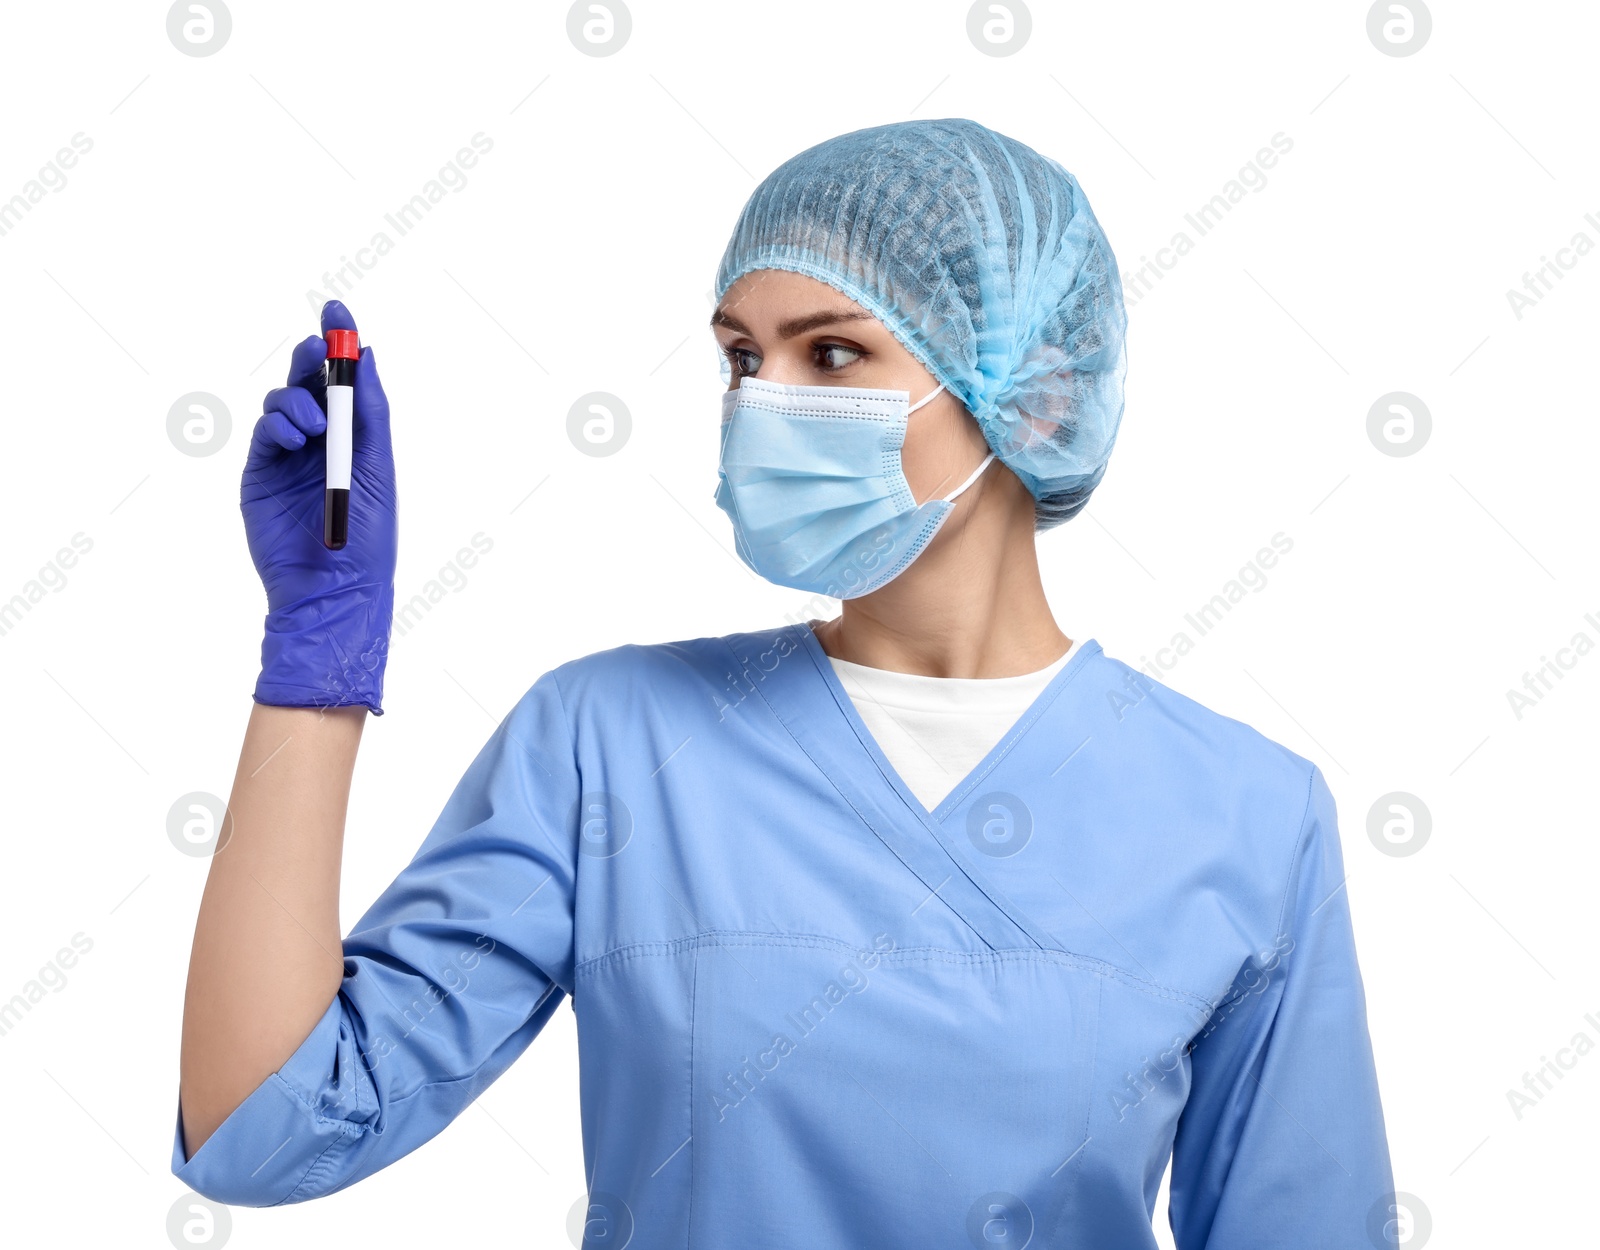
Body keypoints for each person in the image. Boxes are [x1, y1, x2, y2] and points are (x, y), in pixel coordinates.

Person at [173, 118, 1393, 1247]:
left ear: (1035, 388)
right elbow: (260, 1129)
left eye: (834, 350)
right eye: (741, 357)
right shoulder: (610, 740)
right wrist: (315, 658)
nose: (764, 404)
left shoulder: (1244, 811)